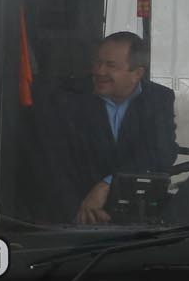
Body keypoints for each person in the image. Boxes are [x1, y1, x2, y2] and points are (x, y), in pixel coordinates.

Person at [48, 31, 178, 225]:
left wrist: (108, 184)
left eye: (110, 65)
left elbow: (161, 153)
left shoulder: (159, 99)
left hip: (139, 218)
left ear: (137, 74)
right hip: (74, 218)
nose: (99, 71)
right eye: (98, 62)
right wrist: (78, 213)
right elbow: (55, 161)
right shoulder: (68, 98)